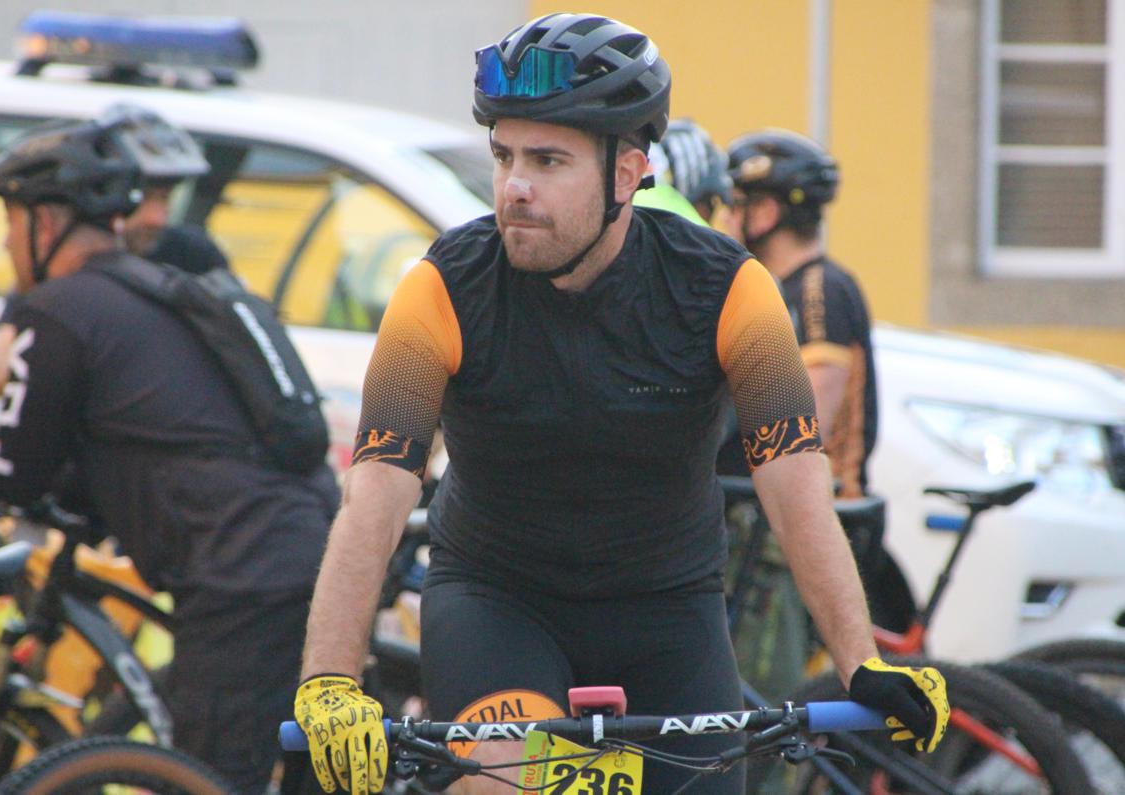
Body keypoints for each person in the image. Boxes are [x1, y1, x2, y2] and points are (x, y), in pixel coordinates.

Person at [294, 13, 948, 795]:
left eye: (548, 160)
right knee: (506, 786)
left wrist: (861, 660)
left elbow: (795, 485)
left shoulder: (729, 290)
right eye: (504, 156)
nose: (515, 186)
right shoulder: (440, 288)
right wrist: (330, 678)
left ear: (628, 172)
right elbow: (376, 489)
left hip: (668, 612)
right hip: (497, 601)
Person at [0, 105, 338, 794]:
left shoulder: (59, 311)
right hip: (296, 545)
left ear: (44, 222)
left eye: (9, 221)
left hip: (243, 574)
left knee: (208, 781)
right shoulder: (148, 290)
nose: (4, 243)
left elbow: (11, 474)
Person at [0, 103, 227, 399]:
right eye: (144, 197)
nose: (157, 218)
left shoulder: (192, 254)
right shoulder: (67, 262)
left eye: (166, 198)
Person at [725, 129, 877, 498]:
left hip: (820, 506)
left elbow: (805, 426)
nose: (725, 218)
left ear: (765, 214)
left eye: (734, 204)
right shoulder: (781, 286)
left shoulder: (817, 289)